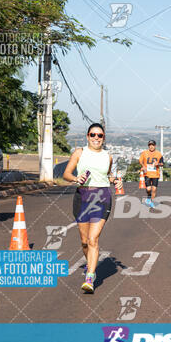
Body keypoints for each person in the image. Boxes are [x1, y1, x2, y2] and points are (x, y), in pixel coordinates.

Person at [63, 123, 123, 294]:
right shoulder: (79, 152)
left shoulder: (108, 156)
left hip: (102, 197)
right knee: (84, 241)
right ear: (87, 136)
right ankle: (91, 264)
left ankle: (90, 276)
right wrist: (76, 178)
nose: (96, 138)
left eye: (100, 136)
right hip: (82, 197)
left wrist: (115, 180)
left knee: (93, 239)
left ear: (104, 138)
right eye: (93, 135)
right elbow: (66, 174)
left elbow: (107, 176)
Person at [139, 140, 164, 208]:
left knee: (154, 189)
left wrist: (158, 164)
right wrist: (143, 166)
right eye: (150, 145)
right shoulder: (144, 153)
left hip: (155, 174)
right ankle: (149, 196)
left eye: (152, 145)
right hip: (147, 173)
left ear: (155, 146)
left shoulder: (159, 154)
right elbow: (140, 161)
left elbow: (162, 163)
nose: (151, 146)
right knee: (149, 189)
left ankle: (152, 202)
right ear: (148, 146)